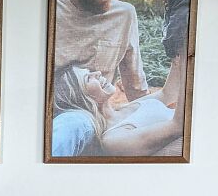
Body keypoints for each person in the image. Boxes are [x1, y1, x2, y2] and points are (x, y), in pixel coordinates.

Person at [52, 0, 149, 155]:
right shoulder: (50, 10)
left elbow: (135, 83)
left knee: (70, 127)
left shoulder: (124, 15)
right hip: (45, 111)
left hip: (84, 115)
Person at [53, 58, 185, 157]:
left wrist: (178, 50)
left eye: (91, 72)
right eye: (88, 78)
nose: (98, 73)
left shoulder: (124, 108)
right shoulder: (112, 139)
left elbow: (168, 93)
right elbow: (179, 126)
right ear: (80, 97)